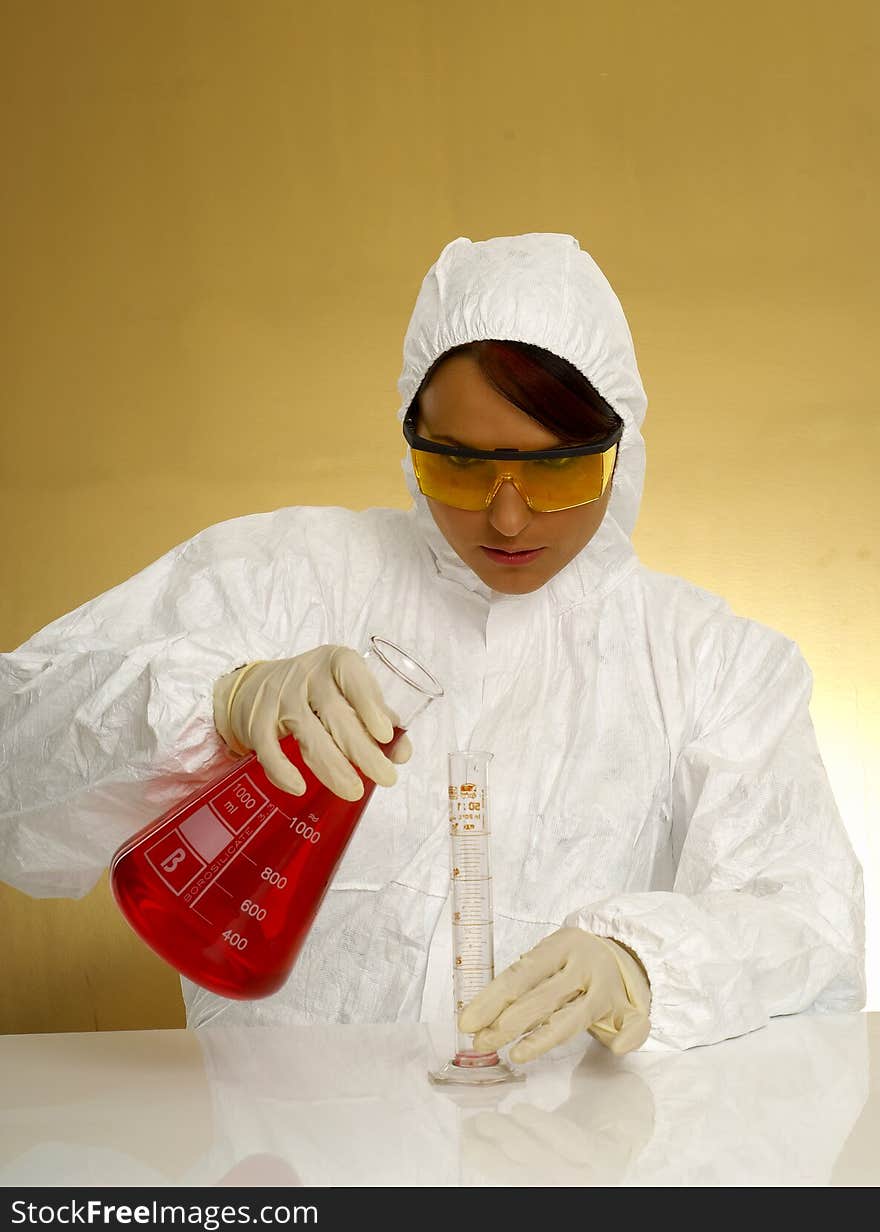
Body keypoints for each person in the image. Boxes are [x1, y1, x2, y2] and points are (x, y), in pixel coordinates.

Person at [0, 232, 865, 1060]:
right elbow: (14, 769)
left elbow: (809, 924)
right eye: (458, 464)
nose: (508, 516)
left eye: (558, 467)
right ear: (411, 442)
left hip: (570, 1177)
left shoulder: (714, 663)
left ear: (620, 449)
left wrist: (648, 965)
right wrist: (216, 698)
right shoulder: (287, 577)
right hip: (286, 1161)